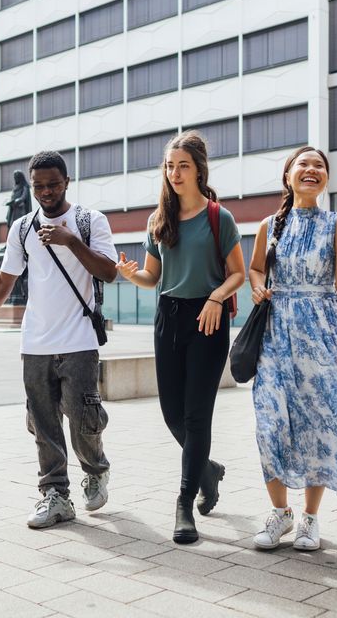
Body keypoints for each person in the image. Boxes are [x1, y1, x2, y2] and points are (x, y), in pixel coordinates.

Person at [0, 151, 117, 529]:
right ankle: (55, 494)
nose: (45, 192)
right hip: (35, 343)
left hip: (79, 339)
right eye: (39, 186)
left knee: (83, 417)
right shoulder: (23, 228)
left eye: (53, 184)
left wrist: (70, 240)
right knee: (43, 424)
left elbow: (109, 271)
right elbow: (4, 282)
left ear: (67, 182)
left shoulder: (90, 221)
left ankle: (96, 470)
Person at [246, 146, 337, 552]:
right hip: (275, 337)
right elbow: (255, 268)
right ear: (288, 176)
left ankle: (309, 518)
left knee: (318, 425)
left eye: (319, 165)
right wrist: (257, 286)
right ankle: (279, 513)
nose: (311, 170)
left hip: (320, 335)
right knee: (270, 422)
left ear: (325, 178)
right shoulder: (270, 224)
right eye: (303, 164)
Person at [116, 130, 245, 544]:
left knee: (196, 416)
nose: (174, 172)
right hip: (168, 317)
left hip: (207, 320)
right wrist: (131, 275)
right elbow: (154, 278)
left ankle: (185, 502)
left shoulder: (218, 218)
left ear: (198, 170)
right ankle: (208, 470)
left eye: (182, 165)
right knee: (172, 413)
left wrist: (216, 297)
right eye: (169, 166)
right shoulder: (159, 221)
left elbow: (238, 273)